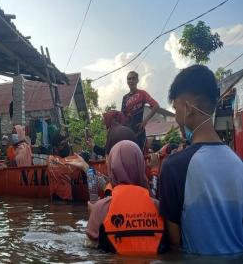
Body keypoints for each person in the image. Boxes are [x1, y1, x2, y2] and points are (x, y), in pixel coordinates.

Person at [156, 65, 243, 255]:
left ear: (188, 108)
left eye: (176, 108)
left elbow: (175, 244)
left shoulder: (174, 166)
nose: (176, 118)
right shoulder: (239, 165)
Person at [67, 140, 165, 255]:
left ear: (112, 167)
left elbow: (90, 247)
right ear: (140, 164)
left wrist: (92, 216)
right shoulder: (158, 206)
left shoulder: (102, 207)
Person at [121, 71, 159, 152]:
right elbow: (122, 116)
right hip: (129, 134)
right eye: (129, 79)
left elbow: (156, 106)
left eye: (133, 78)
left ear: (137, 80)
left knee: (142, 155)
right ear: (127, 81)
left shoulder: (142, 93)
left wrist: (145, 121)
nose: (131, 81)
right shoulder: (125, 98)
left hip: (140, 133)